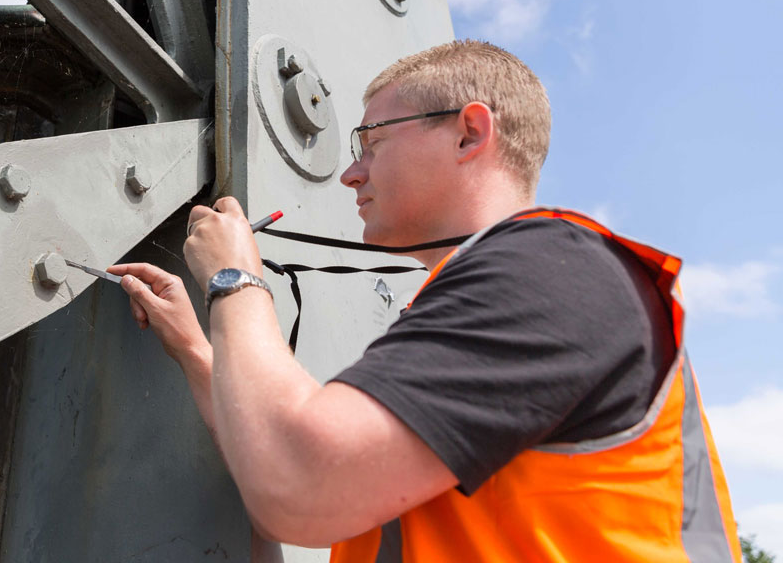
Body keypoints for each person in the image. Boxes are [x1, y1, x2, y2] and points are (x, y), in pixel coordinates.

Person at [107, 40, 741, 562]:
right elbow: (311, 491)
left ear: (469, 133)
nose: (351, 173)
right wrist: (196, 349)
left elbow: (297, 489)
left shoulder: (552, 271)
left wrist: (235, 283)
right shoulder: (499, 292)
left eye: (372, 142)